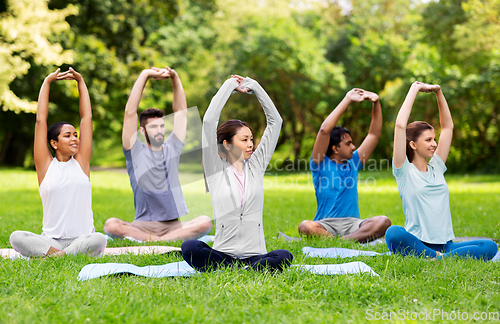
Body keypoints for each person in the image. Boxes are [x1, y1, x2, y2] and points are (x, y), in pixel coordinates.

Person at [181, 75, 293, 272]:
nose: (251, 144)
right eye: (244, 140)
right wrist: (230, 85)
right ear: (227, 144)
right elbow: (208, 121)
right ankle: (237, 268)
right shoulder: (215, 168)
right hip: (223, 253)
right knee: (189, 247)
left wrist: (255, 87)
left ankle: (242, 268)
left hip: (256, 254)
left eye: (251, 139)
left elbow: (276, 122)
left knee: (283, 256)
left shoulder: (256, 166)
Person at [385, 82, 498, 260]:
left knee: (489, 246)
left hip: (446, 244)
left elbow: (447, 128)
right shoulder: (404, 170)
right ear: (413, 145)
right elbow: (400, 126)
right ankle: (438, 256)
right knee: (393, 233)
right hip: (417, 241)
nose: (434, 144)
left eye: (434, 139)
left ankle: (437, 257)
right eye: (428, 140)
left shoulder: (436, 166)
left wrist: (439, 93)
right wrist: (414, 89)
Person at [103, 67, 212, 241]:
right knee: (111, 225)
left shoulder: (172, 148)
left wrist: (175, 78)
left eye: (162, 126)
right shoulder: (135, 150)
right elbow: (129, 113)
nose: (159, 130)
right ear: (142, 130)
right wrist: (145, 74)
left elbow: (181, 113)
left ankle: (156, 241)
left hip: (174, 225)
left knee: (205, 222)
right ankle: (159, 239)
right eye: (154, 127)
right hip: (143, 225)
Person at [9, 68, 107, 257]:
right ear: (54, 143)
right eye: (68, 135)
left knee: (99, 239)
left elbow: (87, 118)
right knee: (16, 236)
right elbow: (40, 120)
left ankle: (54, 256)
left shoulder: (81, 164)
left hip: (82, 238)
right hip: (50, 240)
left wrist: (80, 82)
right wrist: (47, 82)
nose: (75, 139)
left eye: (76, 135)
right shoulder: (46, 167)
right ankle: (64, 254)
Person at [298, 88, 391, 243]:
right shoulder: (319, 163)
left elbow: (374, 135)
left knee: (384, 221)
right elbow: (323, 130)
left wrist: (376, 103)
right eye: (348, 144)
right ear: (335, 148)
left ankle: (340, 241)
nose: (354, 147)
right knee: (305, 227)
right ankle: (347, 241)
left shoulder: (353, 162)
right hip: (325, 223)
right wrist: (347, 99)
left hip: (354, 223)